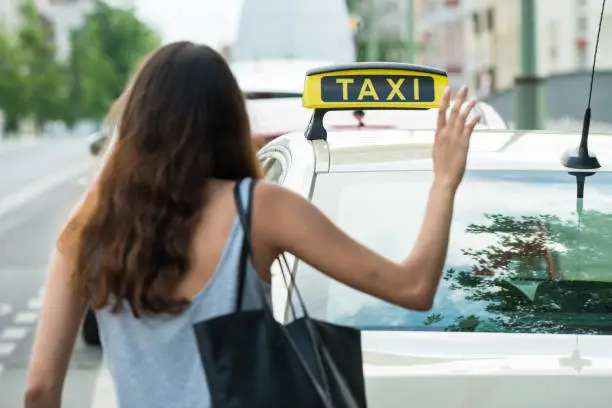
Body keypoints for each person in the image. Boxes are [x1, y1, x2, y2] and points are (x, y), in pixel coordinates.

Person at [24, 41, 480, 408]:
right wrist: (443, 182)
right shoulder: (260, 209)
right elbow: (413, 287)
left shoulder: (89, 226)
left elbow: (41, 389)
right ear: (229, 119)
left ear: (139, 121)